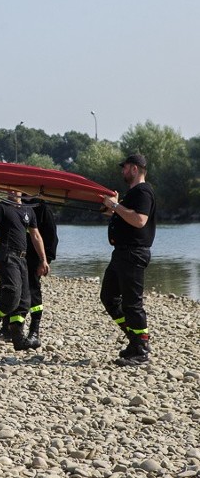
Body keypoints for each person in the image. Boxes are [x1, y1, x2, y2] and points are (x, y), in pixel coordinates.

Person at [0, 190, 49, 351]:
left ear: (22, 190)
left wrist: (43, 260)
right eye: (9, 188)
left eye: (15, 188)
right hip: (6, 255)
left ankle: (18, 339)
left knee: (25, 301)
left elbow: (36, 236)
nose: (13, 191)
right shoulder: (1, 207)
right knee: (12, 295)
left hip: (22, 258)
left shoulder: (29, 210)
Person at [100, 154, 156, 366]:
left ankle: (141, 349)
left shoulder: (143, 191)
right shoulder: (132, 193)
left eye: (124, 168)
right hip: (121, 254)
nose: (122, 171)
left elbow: (139, 220)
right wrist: (111, 206)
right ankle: (135, 339)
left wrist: (115, 206)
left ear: (134, 169)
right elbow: (125, 216)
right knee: (109, 297)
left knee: (132, 303)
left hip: (133, 254)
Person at [0, 197, 58, 348]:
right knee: (7, 291)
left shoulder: (41, 207)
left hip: (33, 259)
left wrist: (46, 260)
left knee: (32, 296)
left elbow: (51, 236)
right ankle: (8, 329)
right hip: (12, 257)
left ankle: (34, 332)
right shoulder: (10, 205)